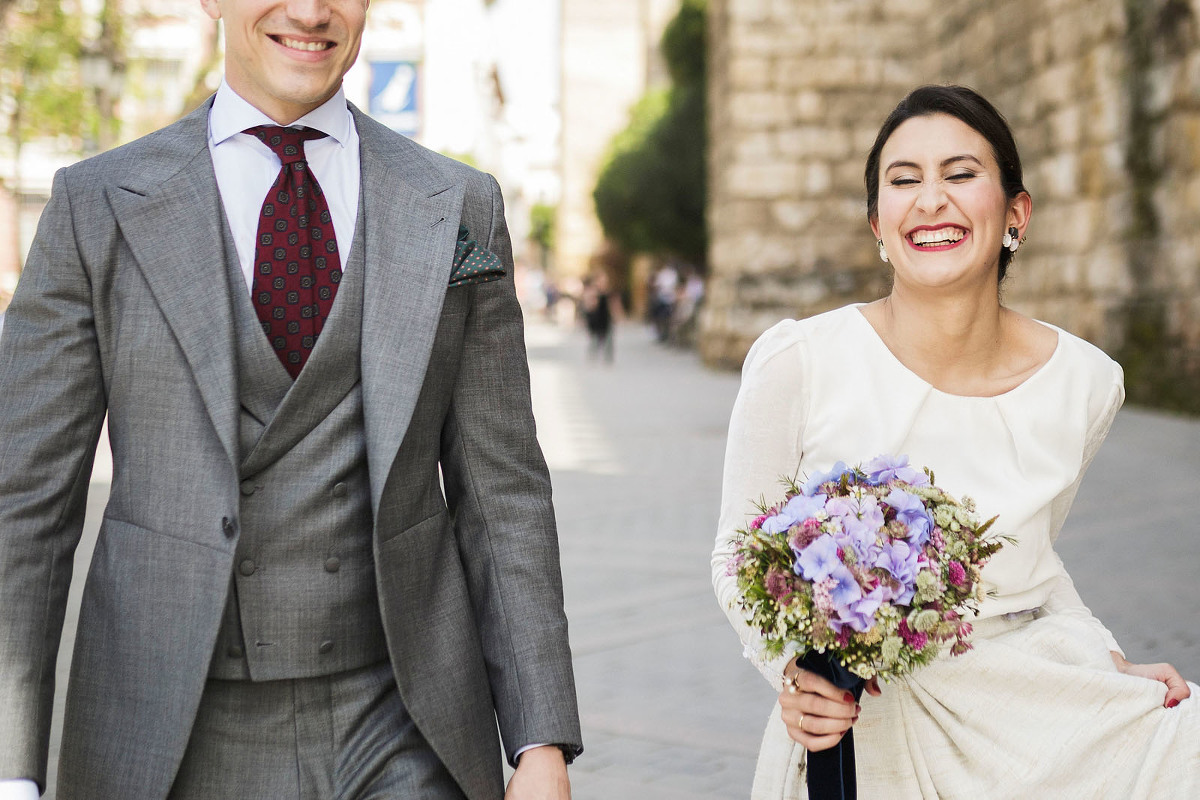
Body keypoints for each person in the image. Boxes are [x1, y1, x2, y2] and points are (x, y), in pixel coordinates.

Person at [0, 1, 581, 798]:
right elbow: (24, 505)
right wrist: (12, 770)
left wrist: (540, 740)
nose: (310, 12)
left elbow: (502, 489)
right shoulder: (96, 205)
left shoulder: (456, 202)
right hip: (171, 731)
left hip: (405, 726)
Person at [711, 85, 1199, 799]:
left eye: (961, 174)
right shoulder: (800, 361)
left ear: (1015, 214)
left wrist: (1111, 660)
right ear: (878, 222)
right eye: (903, 181)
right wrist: (792, 671)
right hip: (868, 719)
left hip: (1038, 707)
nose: (930, 200)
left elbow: (1030, 563)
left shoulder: (1086, 383)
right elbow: (735, 552)